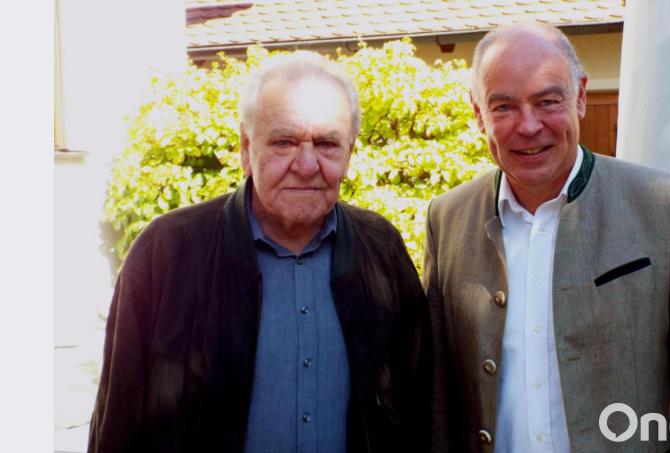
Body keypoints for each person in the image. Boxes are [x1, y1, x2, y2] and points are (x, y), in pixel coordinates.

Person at [424, 24, 670, 452]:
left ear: (579, 96)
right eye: (503, 107)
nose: (528, 125)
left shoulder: (664, 206)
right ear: (478, 114)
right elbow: (439, 392)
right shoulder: (447, 218)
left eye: (547, 101)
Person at [89, 51, 431, 453]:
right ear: (245, 148)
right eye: (284, 142)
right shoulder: (166, 252)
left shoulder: (382, 250)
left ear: (349, 153)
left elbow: (418, 405)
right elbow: (118, 419)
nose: (306, 165)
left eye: (326, 144)